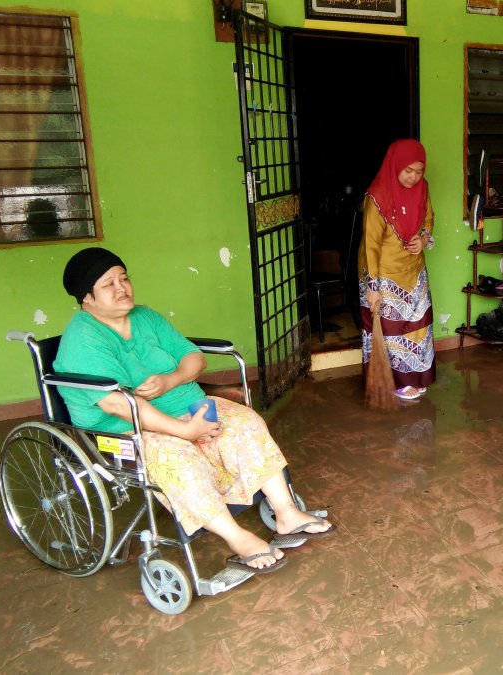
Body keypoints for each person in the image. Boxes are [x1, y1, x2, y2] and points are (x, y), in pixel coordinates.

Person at [54, 247, 335, 573]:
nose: (122, 288)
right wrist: (184, 432)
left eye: (124, 278)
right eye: (108, 284)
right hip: (126, 430)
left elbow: (194, 359)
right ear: (86, 298)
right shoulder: (84, 339)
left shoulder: (145, 317)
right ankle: (238, 538)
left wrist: (171, 379)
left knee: (244, 422)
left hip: (184, 405)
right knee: (179, 456)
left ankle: (286, 513)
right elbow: (117, 403)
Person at [358, 139, 437, 400]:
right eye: (407, 170)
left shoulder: (422, 190)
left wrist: (424, 238)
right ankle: (396, 382)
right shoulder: (377, 197)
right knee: (392, 331)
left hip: (414, 271)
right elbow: (371, 245)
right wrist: (373, 288)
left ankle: (418, 375)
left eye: (419, 171)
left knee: (418, 326)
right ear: (395, 166)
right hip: (383, 276)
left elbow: (428, 218)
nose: (413, 177)